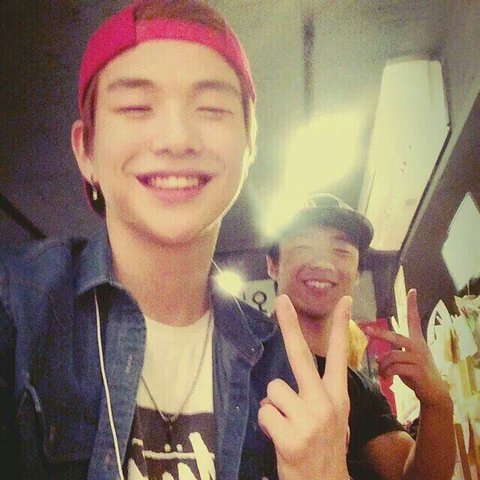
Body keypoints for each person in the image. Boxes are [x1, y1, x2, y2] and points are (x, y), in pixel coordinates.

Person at [0, 2, 352, 479]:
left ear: (250, 144)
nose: (177, 138)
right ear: (86, 151)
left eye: (212, 109)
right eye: (136, 107)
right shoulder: (16, 308)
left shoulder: (281, 368)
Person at [266, 193, 456, 480]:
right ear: (273, 265)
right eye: (304, 247)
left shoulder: (359, 389)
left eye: (341, 251)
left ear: (356, 274)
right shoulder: (239, 357)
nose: (323, 263)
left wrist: (437, 403)